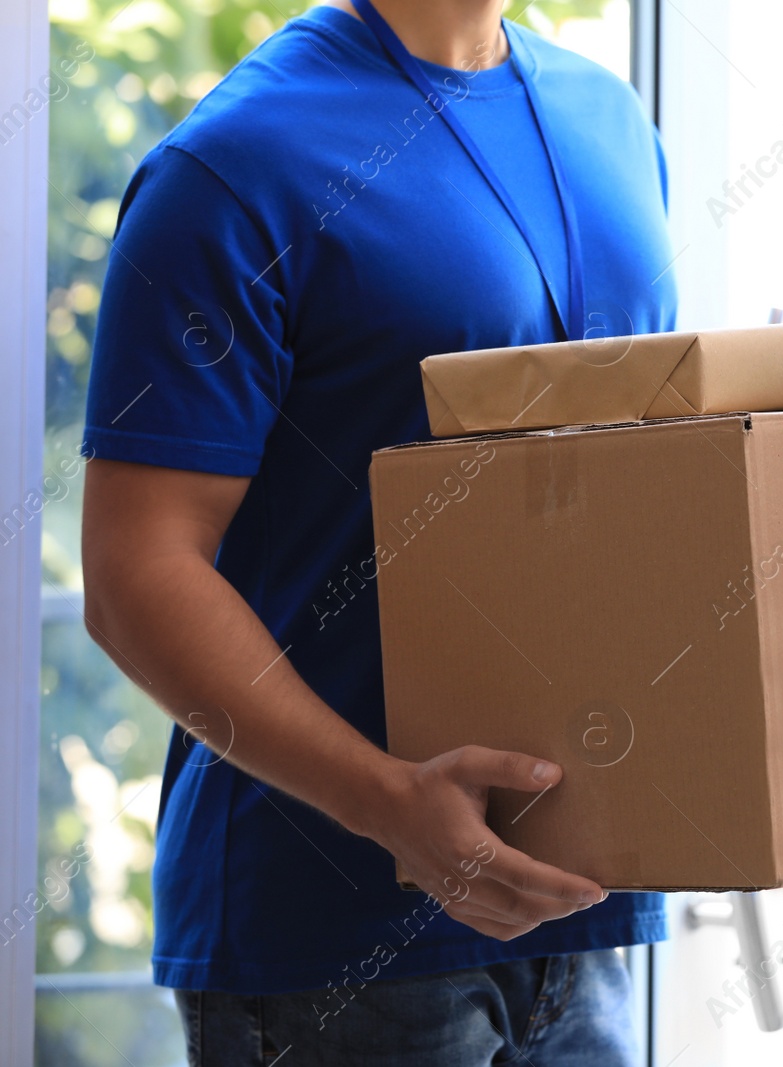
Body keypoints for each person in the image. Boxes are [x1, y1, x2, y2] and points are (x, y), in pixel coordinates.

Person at [78, 0, 676, 1063]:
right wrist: (388, 802)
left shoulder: (611, 117)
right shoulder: (237, 163)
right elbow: (137, 572)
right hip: (324, 936)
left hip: (581, 909)